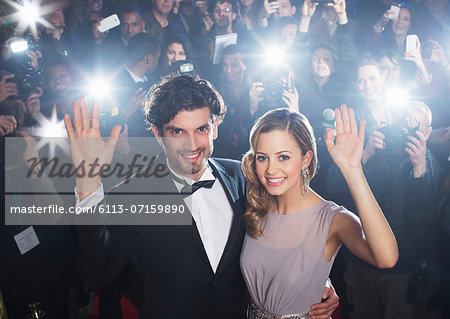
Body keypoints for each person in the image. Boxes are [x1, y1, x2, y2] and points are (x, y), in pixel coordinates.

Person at [63, 74, 339, 319]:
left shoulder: (243, 177)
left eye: (201, 129)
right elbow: (96, 275)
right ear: (157, 134)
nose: (192, 144)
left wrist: (317, 281)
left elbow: (284, 234)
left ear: (215, 126)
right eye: (177, 132)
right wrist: (88, 182)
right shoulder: (130, 196)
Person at [240, 106, 399, 318]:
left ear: (306, 159)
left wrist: (352, 169)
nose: (270, 169)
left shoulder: (332, 219)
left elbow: (387, 258)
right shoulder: (253, 201)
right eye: (262, 157)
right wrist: (315, 280)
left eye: (283, 157)